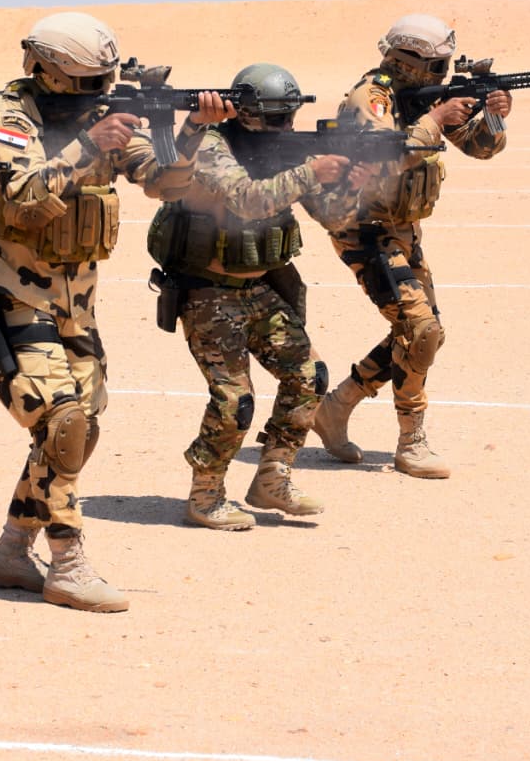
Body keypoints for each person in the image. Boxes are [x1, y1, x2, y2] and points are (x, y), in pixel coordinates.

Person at [0, 11, 233, 611]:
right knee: (61, 424)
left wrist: (190, 132)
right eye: (89, 83)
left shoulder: (99, 114)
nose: (100, 93)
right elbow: (23, 196)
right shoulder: (11, 117)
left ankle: (12, 548)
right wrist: (91, 145)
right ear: (47, 70)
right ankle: (67, 563)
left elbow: (164, 184)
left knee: (80, 429)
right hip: (14, 296)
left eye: (105, 81)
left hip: (76, 304)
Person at [148, 63, 372, 530]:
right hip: (207, 292)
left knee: (308, 377)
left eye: (288, 117)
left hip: (260, 287)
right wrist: (311, 171)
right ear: (245, 113)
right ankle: (205, 495)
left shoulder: (286, 153)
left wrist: (350, 186)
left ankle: (273, 475)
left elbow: (333, 218)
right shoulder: (210, 144)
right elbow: (247, 199)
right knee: (234, 400)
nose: (284, 127)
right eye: (274, 118)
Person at [312, 14, 511, 478]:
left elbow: (481, 148)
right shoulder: (372, 97)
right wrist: (435, 119)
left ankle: (338, 405)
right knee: (419, 329)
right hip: (363, 228)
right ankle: (411, 442)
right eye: (438, 65)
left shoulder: (423, 97)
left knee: (425, 333)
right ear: (411, 60)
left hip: (402, 229)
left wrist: (493, 114)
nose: (444, 72)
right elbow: (384, 158)